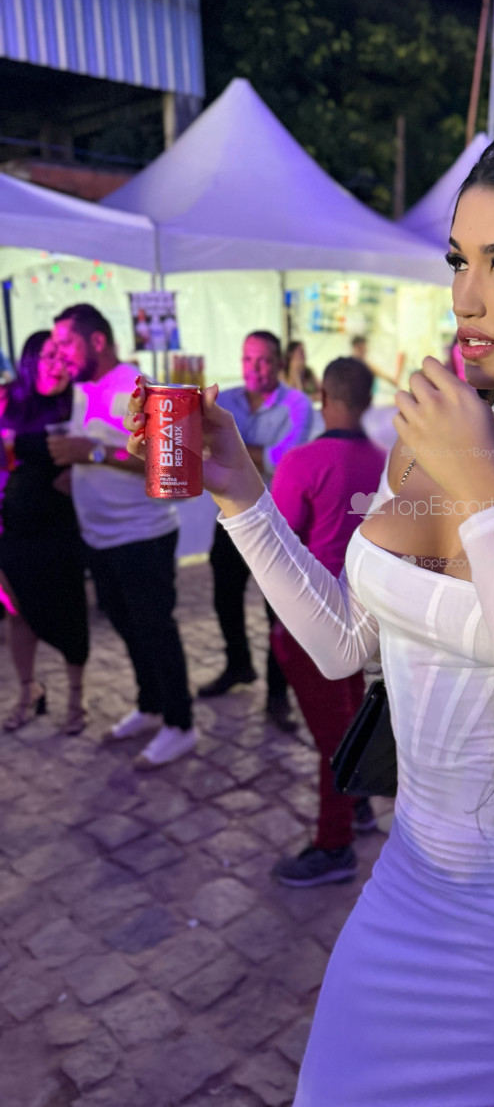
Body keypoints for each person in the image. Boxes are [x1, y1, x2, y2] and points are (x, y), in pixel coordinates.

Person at [126, 128, 494, 1106]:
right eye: (458, 260)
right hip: (411, 880)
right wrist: (243, 497)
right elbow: (347, 644)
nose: (465, 297)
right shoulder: (426, 437)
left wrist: (485, 492)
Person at [49, 304, 197, 767]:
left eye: (67, 343)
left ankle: (180, 724)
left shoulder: (136, 388)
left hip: (143, 536)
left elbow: (168, 464)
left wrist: (93, 453)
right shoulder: (81, 390)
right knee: (127, 628)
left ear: (96, 340)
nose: (61, 353)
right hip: (99, 537)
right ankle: (150, 705)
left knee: (155, 630)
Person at [268, 357, 387, 886]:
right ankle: (356, 804)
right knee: (351, 715)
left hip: (315, 617)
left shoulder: (302, 461)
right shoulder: (387, 462)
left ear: (323, 396)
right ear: (368, 399)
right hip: (369, 612)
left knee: (334, 735)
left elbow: (279, 542)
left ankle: (334, 845)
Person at [198, 331, 313, 731]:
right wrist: (242, 452)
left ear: (279, 363)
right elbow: (203, 446)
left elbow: (283, 460)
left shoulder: (297, 404)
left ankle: (277, 695)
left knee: (277, 612)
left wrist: (226, 448)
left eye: (263, 360)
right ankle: (238, 665)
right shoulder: (224, 401)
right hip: (230, 516)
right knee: (224, 600)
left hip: (276, 522)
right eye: (248, 359)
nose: (254, 368)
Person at [0, 332, 89, 733]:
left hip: (61, 524)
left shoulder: (78, 402)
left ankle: (76, 697)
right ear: (30, 359)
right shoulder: (10, 402)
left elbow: (101, 452)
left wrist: (80, 474)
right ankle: (28, 690)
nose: (58, 364)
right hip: (14, 526)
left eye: (64, 356)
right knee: (18, 612)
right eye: (49, 355)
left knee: (70, 609)